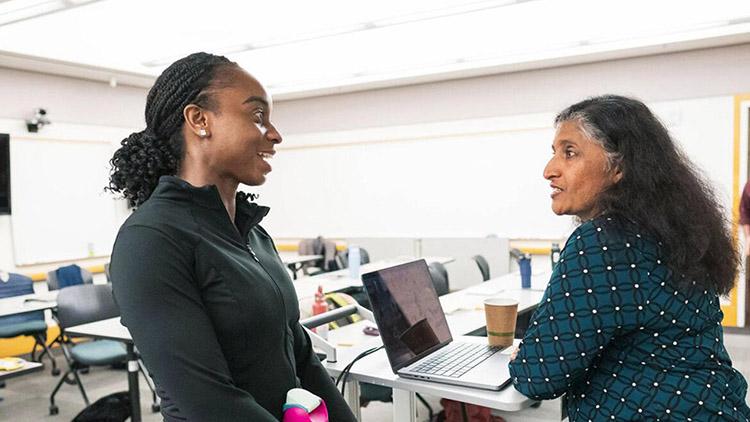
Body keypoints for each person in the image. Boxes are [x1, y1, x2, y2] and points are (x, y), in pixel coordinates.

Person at [107, 52, 355, 421]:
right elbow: (209, 401)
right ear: (199, 120)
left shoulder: (253, 234)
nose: (275, 134)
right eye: (258, 117)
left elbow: (302, 357)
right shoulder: (150, 239)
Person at [508, 95, 750, 421]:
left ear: (618, 167)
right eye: (554, 153)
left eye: (570, 152)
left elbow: (538, 376)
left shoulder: (602, 242)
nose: (549, 170)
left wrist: (527, 351)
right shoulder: (674, 233)